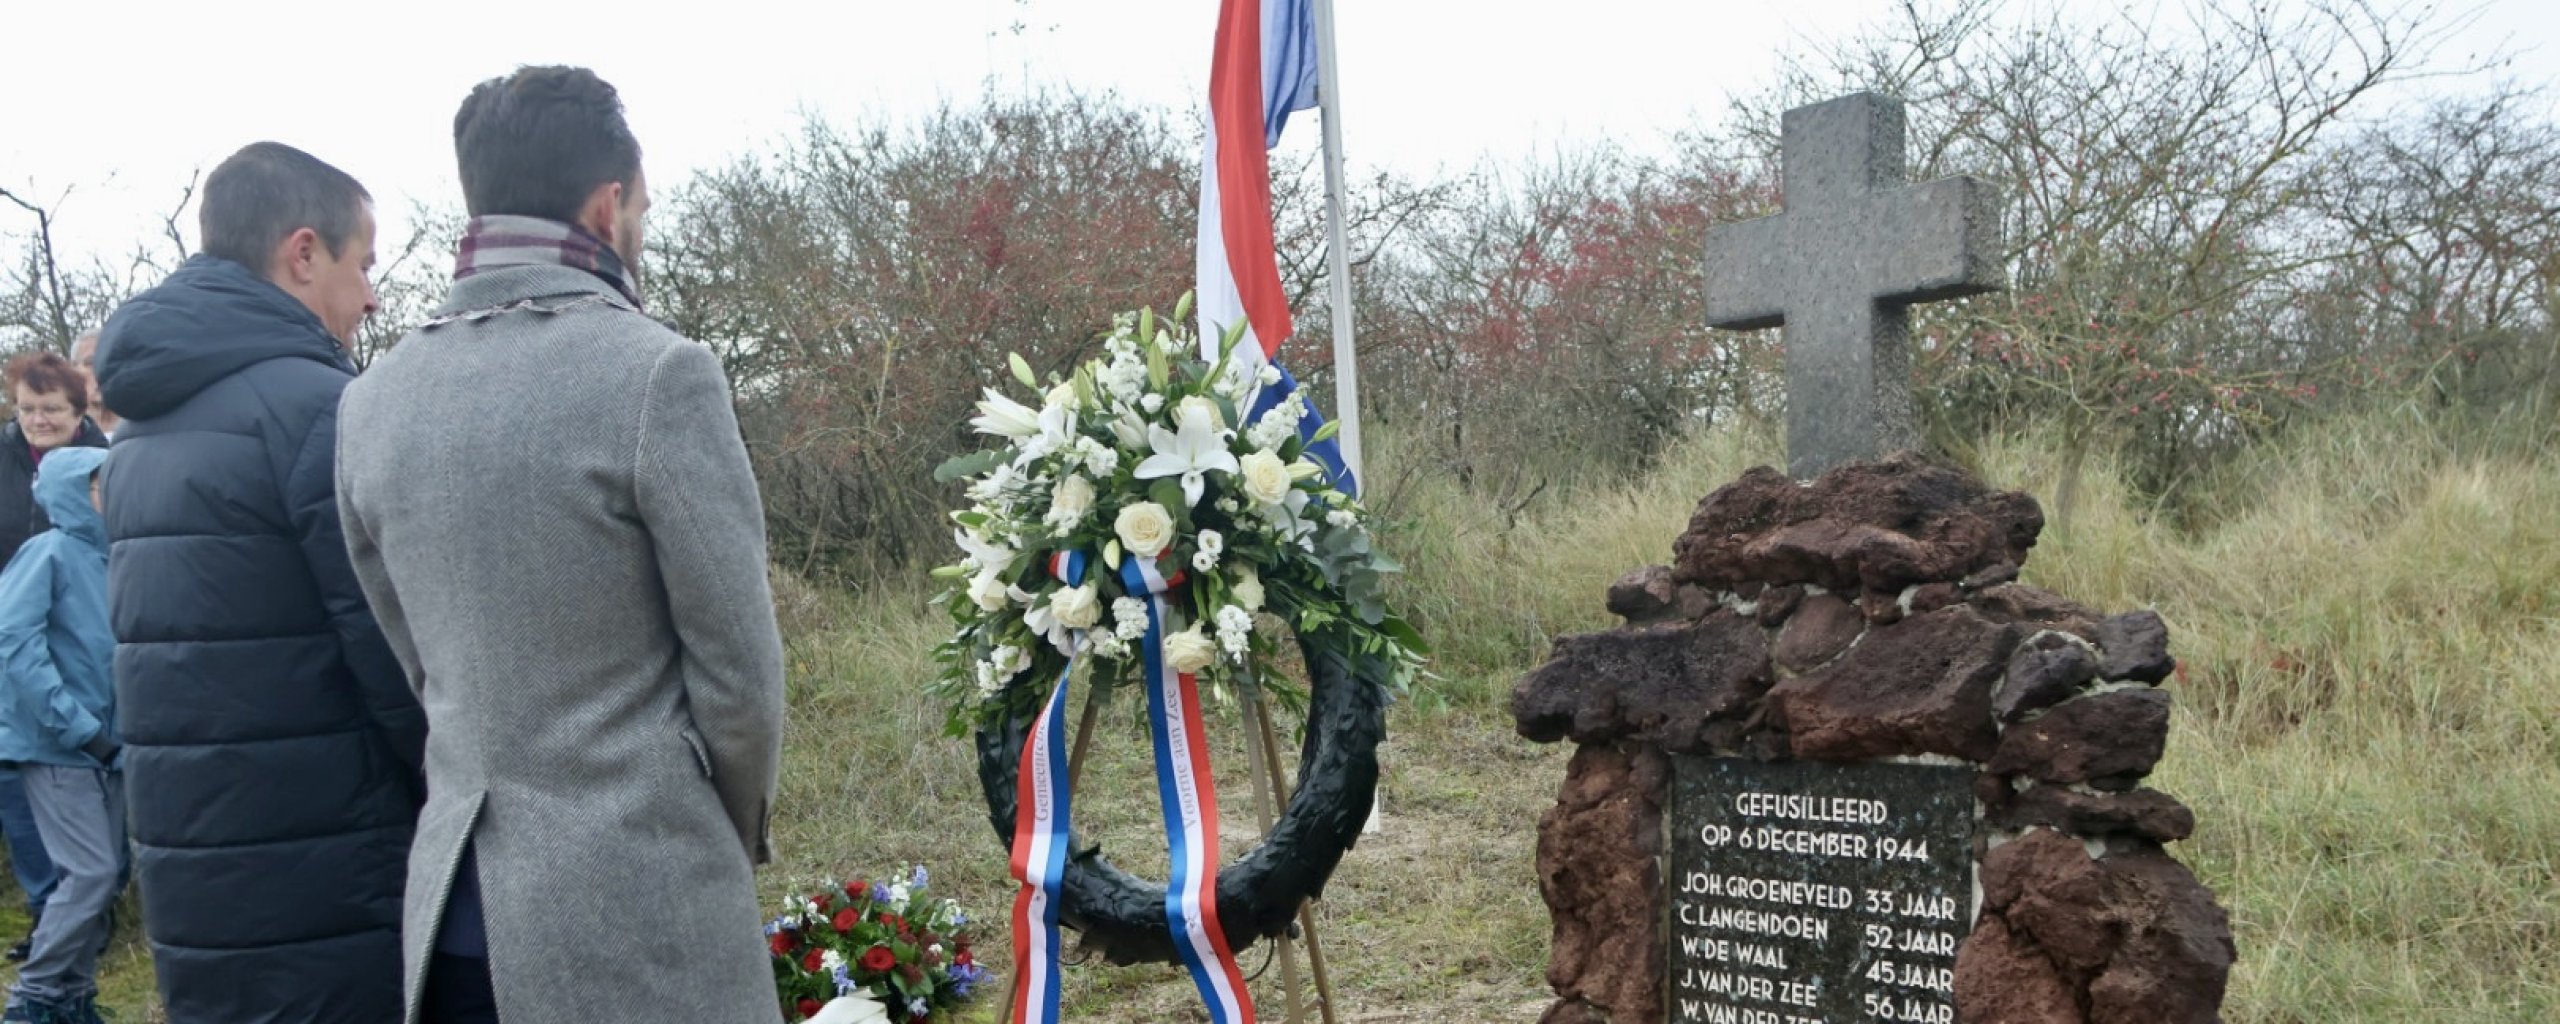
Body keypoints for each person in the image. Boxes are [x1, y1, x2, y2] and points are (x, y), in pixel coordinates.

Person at [337, 65, 784, 1024]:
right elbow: (739, 675)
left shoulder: (369, 402)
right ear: (608, 204)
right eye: (643, 208)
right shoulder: (658, 374)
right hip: (640, 902)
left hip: (455, 911)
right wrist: (726, 826)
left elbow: (416, 656)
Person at [92, 141, 426, 1024]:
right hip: (329, 869)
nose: (371, 296)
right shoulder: (314, 409)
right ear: (304, 252)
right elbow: (390, 654)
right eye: (364, 264)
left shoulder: (140, 429)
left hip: (197, 871)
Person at [0, 445, 119, 1024]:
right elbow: (15, 643)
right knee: (91, 873)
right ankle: (33, 1000)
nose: (111, 495)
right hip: (57, 745)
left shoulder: (118, 558)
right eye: (99, 485)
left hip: (111, 748)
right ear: (74, 492)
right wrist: (75, 725)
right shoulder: (46, 552)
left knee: (106, 876)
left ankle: (73, 1001)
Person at [63, 335, 119, 441]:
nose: (102, 369)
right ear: (73, 370)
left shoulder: (140, 423)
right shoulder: (62, 427)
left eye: (111, 361)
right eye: (91, 363)